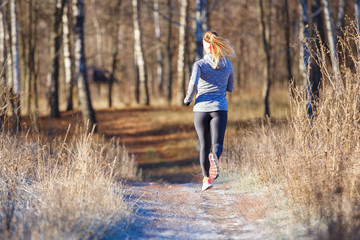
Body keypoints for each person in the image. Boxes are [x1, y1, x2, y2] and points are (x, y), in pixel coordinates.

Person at [184, 31, 235, 191]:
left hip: (200, 109)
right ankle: (216, 159)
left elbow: (193, 84)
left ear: (206, 46)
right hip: (219, 108)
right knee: (217, 143)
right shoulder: (228, 65)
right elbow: (230, 87)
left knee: (204, 145)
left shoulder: (199, 64)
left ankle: (206, 180)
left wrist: (187, 99)